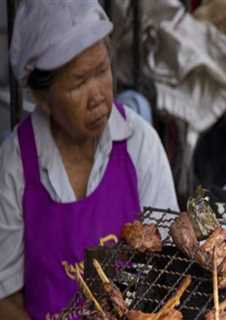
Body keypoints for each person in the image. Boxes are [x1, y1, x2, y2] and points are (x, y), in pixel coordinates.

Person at [0, 1, 179, 319]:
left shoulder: (140, 144)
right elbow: (5, 297)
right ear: (43, 99)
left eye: (102, 71)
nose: (98, 95)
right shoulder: (15, 163)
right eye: (79, 82)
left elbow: (169, 264)